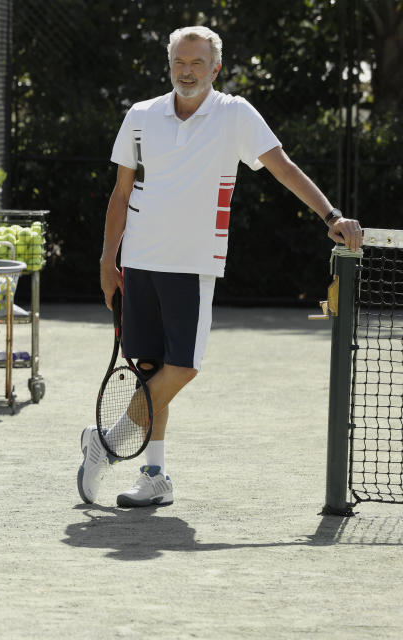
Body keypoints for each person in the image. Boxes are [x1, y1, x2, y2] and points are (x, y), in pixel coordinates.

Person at [80, 26, 365, 508]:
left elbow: (282, 166)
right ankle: (154, 476)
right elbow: (121, 193)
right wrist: (109, 259)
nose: (187, 71)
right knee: (150, 369)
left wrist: (331, 215)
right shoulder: (140, 116)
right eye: (179, 63)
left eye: (197, 63)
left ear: (215, 68)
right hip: (139, 262)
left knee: (182, 368)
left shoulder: (235, 114)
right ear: (169, 66)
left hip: (193, 266)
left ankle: (105, 443)